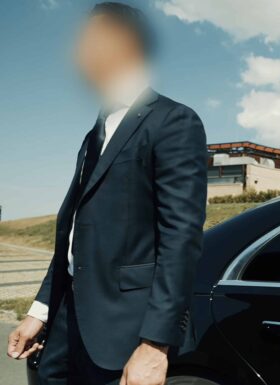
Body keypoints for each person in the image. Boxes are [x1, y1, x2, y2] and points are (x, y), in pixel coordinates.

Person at [6, 2, 207, 384]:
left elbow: (181, 240)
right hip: (68, 323)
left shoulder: (174, 121)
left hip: (126, 334)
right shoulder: (93, 133)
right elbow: (73, 234)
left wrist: (155, 345)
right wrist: (40, 310)